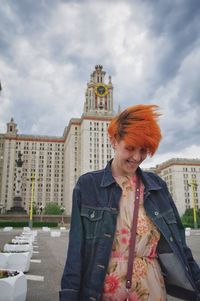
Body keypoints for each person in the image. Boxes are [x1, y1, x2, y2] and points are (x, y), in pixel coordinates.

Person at [60, 104, 200, 301]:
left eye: (143, 150)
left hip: (151, 290)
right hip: (103, 291)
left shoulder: (157, 186)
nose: (137, 157)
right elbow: (76, 253)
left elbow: (179, 244)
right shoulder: (88, 185)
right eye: (130, 148)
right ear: (114, 141)